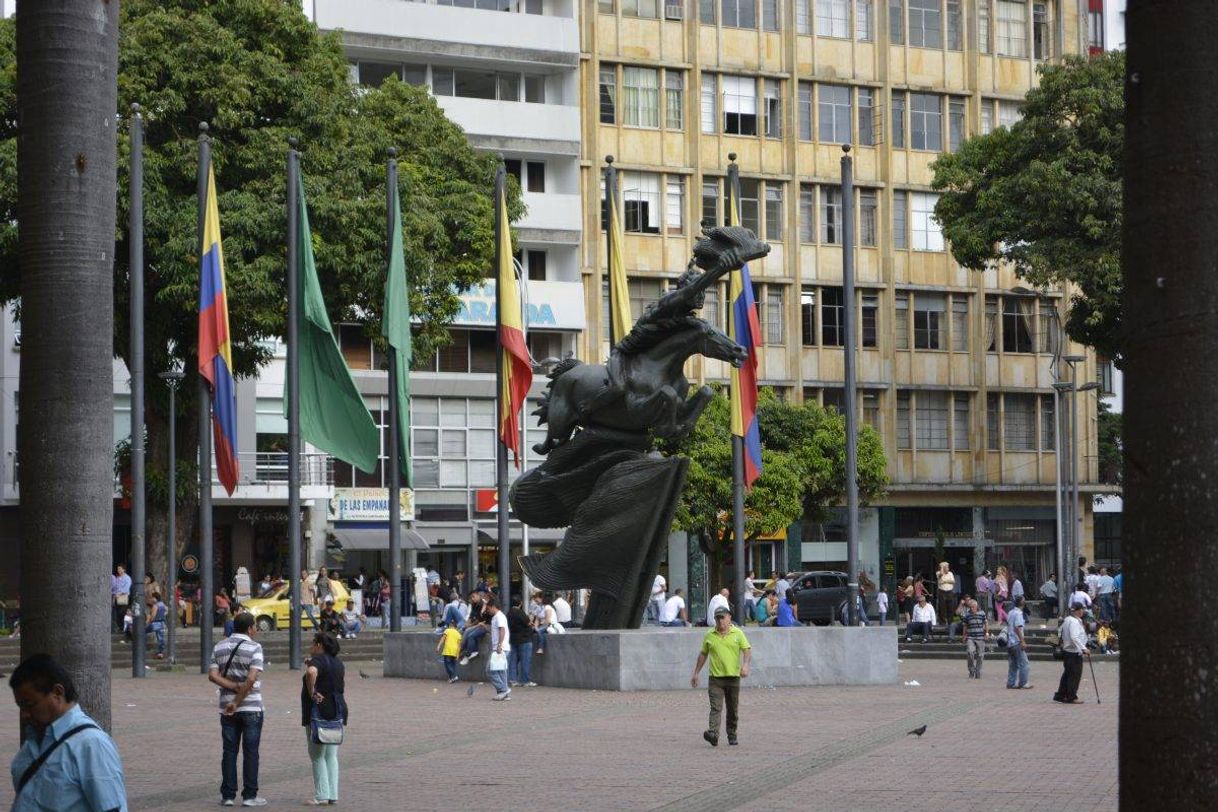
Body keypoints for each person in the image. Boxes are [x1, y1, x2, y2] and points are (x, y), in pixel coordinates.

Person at [9, 654, 127, 812]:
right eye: (20, 706)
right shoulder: (33, 741)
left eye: (29, 704)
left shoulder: (91, 744)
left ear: (57, 693)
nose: (24, 714)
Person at [208, 612, 268, 807]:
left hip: (226, 707)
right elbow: (251, 678)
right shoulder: (255, 647)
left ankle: (228, 795)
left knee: (229, 751)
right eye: (255, 627)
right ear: (250, 628)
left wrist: (232, 689)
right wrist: (239, 697)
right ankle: (250, 796)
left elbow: (212, 675)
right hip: (250, 707)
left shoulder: (219, 646)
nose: (256, 631)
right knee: (251, 752)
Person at [690, 606, 751, 747]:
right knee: (716, 707)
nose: (720, 621)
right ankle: (713, 734)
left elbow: (747, 650)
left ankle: (732, 734)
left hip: (733, 678)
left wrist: (745, 665)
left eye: (722, 617)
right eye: (717, 618)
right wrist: (696, 673)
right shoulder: (710, 635)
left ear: (729, 617)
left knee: (732, 709)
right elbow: (703, 654)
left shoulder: (738, 633)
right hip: (715, 679)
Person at [302, 632, 347, 805]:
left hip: (319, 712)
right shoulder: (338, 662)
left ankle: (321, 794)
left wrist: (312, 691)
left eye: (313, 643)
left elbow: (312, 672)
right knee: (331, 755)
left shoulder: (318, 660)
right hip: (338, 710)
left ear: (319, 645)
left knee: (317, 754)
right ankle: (332, 793)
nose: (311, 646)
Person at [1054, 603, 1090, 704]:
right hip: (1074, 652)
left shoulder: (1067, 620)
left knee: (1067, 674)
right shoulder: (1074, 622)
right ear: (1077, 611)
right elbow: (1074, 637)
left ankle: (1061, 694)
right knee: (1074, 675)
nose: (1082, 611)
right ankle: (1071, 696)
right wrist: (1083, 648)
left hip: (1067, 651)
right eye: (1080, 610)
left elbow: (1059, 631)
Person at [484, 596, 512, 701]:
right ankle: (503, 694)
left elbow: (502, 630)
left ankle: (503, 689)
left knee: (490, 670)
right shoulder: (498, 616)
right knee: (501, 671)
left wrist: (499, 645)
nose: (488, 610)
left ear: (493, 607)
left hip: (500, 648)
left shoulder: (498, 617)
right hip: (502, 647)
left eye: (488, 608)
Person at [506, 597, 536, 687]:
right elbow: (528, 623)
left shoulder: (509, 613)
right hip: (524, 639)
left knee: (513, 661)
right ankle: (525, 681)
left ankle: (512, 680)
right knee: (525, 660)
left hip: (513, 639)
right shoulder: (520, 612)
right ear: (520, 603)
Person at [1005, 595, 1032, 690]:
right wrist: (1022, 641)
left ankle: (1011, 682)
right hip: (1016, 641)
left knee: (1013, 664)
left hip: (1010, 642)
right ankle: (1023, 682)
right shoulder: (1018, 614)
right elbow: (1017, 628)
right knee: (1024, 663)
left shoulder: (1011, 612)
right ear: (1022, 603)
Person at [961, 598, 989, 679]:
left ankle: (978, 671)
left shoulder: (982, 613)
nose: (972, 609)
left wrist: (987, 633)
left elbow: (986, 623)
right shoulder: (967, 615)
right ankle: (971, 670)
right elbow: (965, 625)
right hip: (971, 637)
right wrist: (964, 635)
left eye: (973, 607)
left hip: (980, 636)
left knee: (980, 655)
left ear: (976, 606)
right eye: (970, 607)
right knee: (970, 652)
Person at [458, 592, 488, 665]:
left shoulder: (482, 604)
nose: (472, 599)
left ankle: (459, 651)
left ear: (479, 596)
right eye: (471, 598)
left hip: (481, 624)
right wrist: (466, 624)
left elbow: (479, 619)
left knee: (468, 631)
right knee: (461, 629)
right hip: (476, 624)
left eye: (473, 597)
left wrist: (470, 625)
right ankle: (461, 650)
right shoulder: (474, 604)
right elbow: (471, 617)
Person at [436, 618, 463, 683]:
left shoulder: (447, 631)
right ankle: (451, 679)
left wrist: (438, 646)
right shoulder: (458, 634)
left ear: (450, 625)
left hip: (447, 650)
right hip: (455, 651)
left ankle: (454, 676)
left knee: (447, 665)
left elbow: (443, 639)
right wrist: (458, 654)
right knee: (453, 665)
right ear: (456, 627)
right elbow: (459, 646)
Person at [111, 565, 132, 633]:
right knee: (117, 613)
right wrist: (114, 595)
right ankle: (120, 628)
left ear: (124, 570)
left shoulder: (127, 578)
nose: (118, 570)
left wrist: (119, 593)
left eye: (120, 569)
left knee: (122, 612)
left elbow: (127, 588)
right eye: (118, 569)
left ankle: (125, 628)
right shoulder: (117, 577)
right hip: (117, 597)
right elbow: (115, 588)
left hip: (123, 597)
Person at [148, 591, 168, 659]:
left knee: (143, 631)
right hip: (162, 623)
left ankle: (142, 646)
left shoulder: (155, 605)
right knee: (160, 639)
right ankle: (160, 653)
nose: (151, 599)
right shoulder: (162, 604)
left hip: (155, 623)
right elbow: (166, 610)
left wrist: (150, 621)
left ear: (155, 598)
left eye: (152, 598)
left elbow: (153, 615)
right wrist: (163, 615)